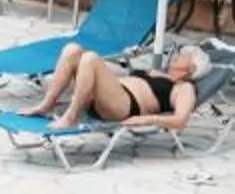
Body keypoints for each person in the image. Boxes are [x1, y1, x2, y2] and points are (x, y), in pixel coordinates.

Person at [28, 43, 208, 131]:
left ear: (191, 68)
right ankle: (47, 104)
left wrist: (148, 120)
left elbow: (181, 120)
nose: (178, 54)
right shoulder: (161, 73)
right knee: (72, 49)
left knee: (90, 58)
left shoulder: (185, 88)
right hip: (108, 94)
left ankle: (71, 116)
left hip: (125, 106)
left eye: (184, 55)